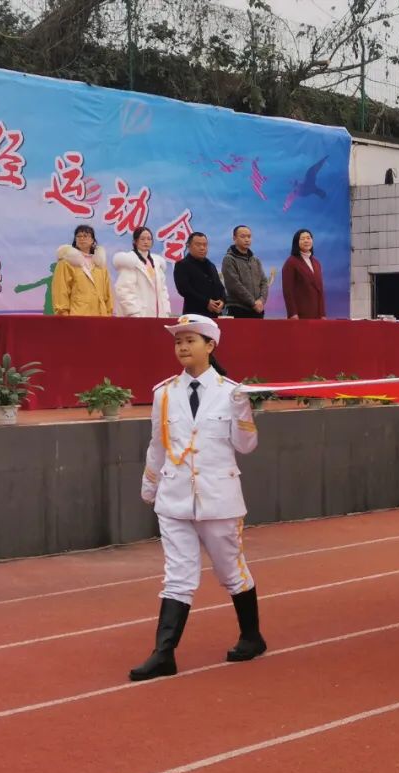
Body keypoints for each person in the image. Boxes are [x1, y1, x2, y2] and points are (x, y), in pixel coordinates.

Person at [131, 314, 265, 681]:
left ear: (211, 345)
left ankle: (251, 636)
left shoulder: (231, 392)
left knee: (231, 572)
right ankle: (163, 654)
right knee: (177, 576)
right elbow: (157, 446)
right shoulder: (163, 393)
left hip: (218, 498)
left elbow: (246, 446)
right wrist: (150, 486)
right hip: (174, 499)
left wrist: (241, 409)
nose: (183, 347)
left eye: (191, 340)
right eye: (178, 341)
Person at [52, 225, 113, 316]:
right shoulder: (66, 262)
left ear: (93, 240)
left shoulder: (100, 264)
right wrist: (63, 313)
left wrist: (108, 312)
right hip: (77, 315)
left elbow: (107, 292)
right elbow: (61, 289)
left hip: (100, 315)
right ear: (75, 240)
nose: (82, 238)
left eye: (86, 236)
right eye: (79, 236)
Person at [114, 226, 172, 317]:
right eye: (142, 239)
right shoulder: (129, 261)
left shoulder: (156, 262)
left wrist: (166, 310)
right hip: (138, 315)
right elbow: (123, 290)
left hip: (158, 314)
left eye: (149, 239)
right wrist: (133, 312)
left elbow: (163, 291)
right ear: (135, 241)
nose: (146, 242)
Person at [221, 225, 269, 319]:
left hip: (257, 309)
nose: (247, 239)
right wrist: (253, 302)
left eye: (249, 236)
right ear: (234, 238)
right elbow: (234, 285)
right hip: (238, 309)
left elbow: (264, 282)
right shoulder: (229, 259)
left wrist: (261, 301)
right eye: (243, 236)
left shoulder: (255, 260)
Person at [173, 233, 226, 317]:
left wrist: (222, 301)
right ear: (188, 246)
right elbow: (184, 289)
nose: (202, 248)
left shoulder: (211, 265)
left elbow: (220, 287)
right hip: (194, 314)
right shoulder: (182, 265)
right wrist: (206, 302)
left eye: (205, 245)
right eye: (198, 244)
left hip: (215, 315)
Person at [281, 229, 326, 320]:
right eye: (302, 239)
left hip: (317, 313)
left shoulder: (316, 263)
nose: (306, 241)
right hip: (300, 313)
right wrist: (292, 313)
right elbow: (287, 291)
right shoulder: (291, 262)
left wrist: (323, 314)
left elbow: (320, 290)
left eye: (308, 238)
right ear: (296, 242)